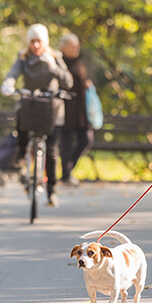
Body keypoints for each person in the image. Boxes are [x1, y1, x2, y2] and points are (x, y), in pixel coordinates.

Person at [1, 23, 73, 207]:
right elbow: (13, 73)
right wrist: (8, 85)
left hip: (52, 109)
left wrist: (53, 68)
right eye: (32, 41)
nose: (35, 45)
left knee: (51, 150)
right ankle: (20, 161)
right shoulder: (23, 58)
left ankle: (51, 191)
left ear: (45, 41)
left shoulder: (55, 56)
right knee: (22, 131)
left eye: (38, 41)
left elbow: (68, 82)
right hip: (30, 106)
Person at [59, 33, 95, 187]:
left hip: (80, 113)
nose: (76, 49)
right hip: (65, 112)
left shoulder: (80, 62)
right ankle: (66, 174)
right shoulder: (58, 62)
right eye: (72, 46)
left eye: (77, 46)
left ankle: (67, 171)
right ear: (63, 47)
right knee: (65, 145)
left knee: (86, 139)